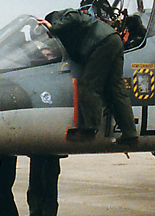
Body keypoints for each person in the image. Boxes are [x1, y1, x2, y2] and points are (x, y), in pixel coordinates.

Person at [37, 8, 139, 145]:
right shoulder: (73, 31)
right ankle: (130, 135)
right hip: (113, 41)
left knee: (88, 85)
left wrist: (53, 27)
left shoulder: (64, 15)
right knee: (115, 89)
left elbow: (74, 17)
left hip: (103, 43)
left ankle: (89, 130)